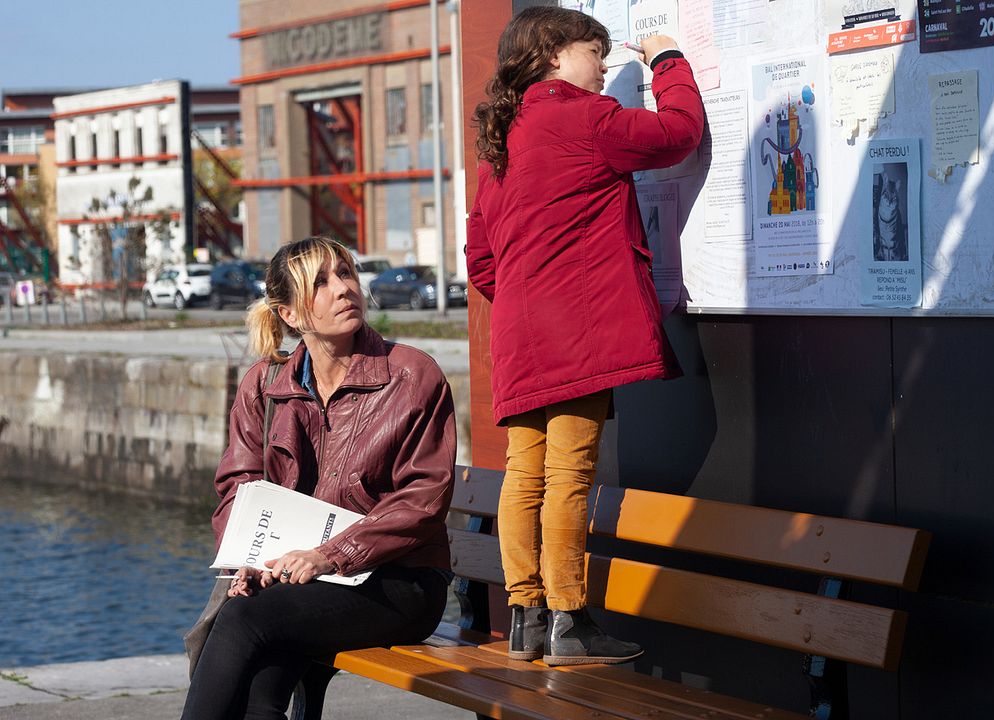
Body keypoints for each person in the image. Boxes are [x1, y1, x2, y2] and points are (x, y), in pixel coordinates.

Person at [466, 6, 704, 666]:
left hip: (519, 338)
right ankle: (571, 620)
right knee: (569, 475)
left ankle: (526, 618)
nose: (602, 65)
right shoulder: (585, 118)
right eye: (591, 50)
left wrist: (529, 293)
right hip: (580, 331)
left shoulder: (496, 149)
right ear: (550, 53)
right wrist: (665, 59)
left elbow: (481, 260)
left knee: (525, 476)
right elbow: (680, 131)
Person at [181, 236, 456, 720]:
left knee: (244, 618)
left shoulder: (412, 376)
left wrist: (327, 556)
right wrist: (250, 560)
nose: (343, 289)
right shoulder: (265, 385)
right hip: (295, 582)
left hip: (398, 581)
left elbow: (422, 500)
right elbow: (236, 489)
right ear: (289, 314)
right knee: (256, 691)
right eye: (321, 283)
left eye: (346, 274)